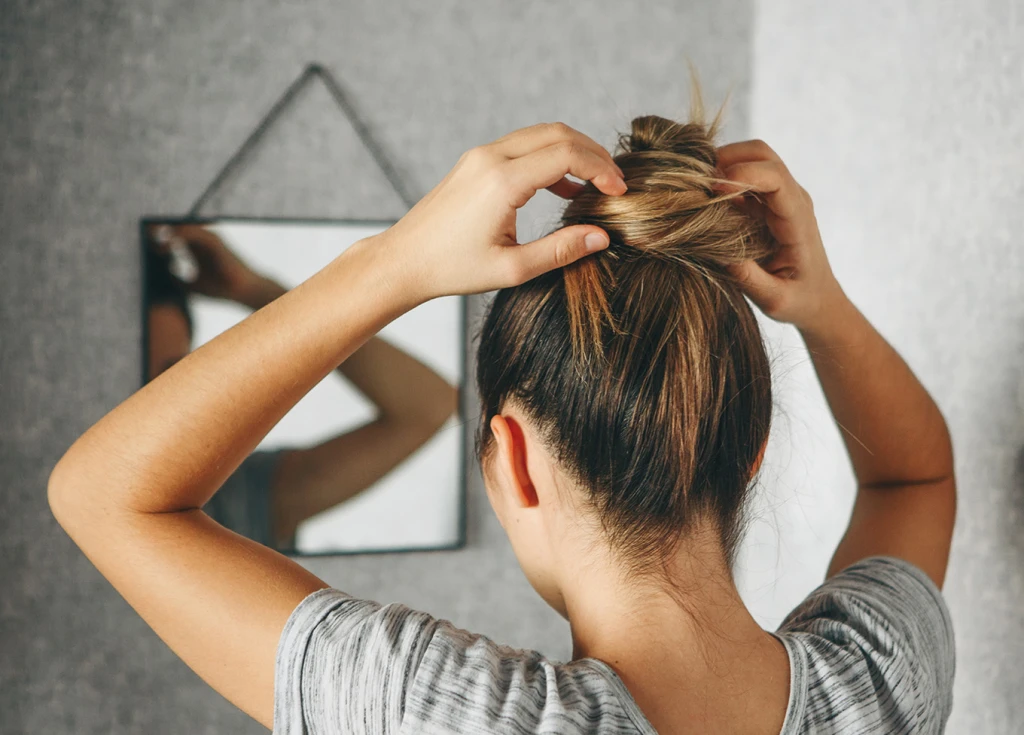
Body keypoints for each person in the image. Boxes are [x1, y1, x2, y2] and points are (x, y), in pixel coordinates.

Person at [49, 77, 956, 735]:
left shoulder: (446, 716)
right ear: (751, 446)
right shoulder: (880, 681)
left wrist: (392, 264)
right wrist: (821, 301)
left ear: (513, 461)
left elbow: (105, 496)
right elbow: (915, 476)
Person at [144, 224, 459, 550]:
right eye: (134, 381)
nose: (151, 403)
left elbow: (430, 407)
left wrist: (263, 295)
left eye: (169, 377)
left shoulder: (226, 496)